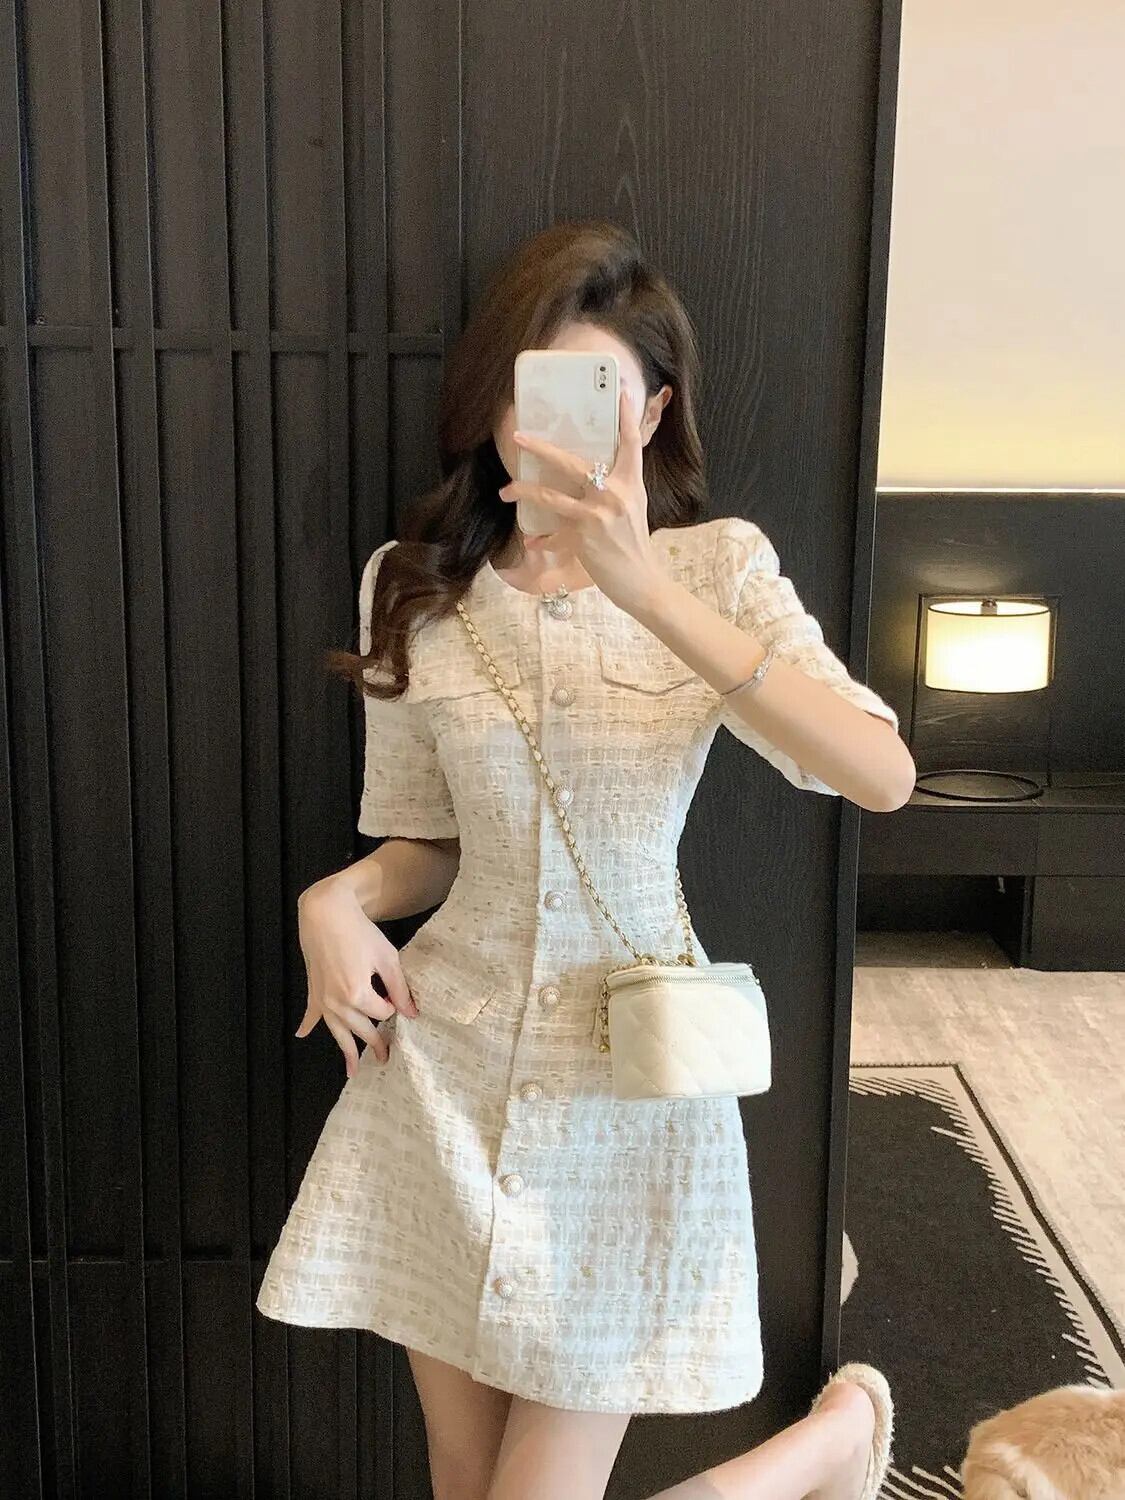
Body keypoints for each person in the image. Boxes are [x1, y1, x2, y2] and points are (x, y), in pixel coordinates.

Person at [255, 220, 913, 1499]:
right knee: (464, 1481)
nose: (544, 423)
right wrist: (337, 898)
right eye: (527, 385)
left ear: (651, 411)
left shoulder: (718, 567)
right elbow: (426, 841)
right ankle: (829, 1452)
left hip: (630, 1089)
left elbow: (877, 773)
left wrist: (640, 585)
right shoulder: (414, 586)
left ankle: (820, 1450)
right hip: (442, 1071)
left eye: (593, 388)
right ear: (491, 402)